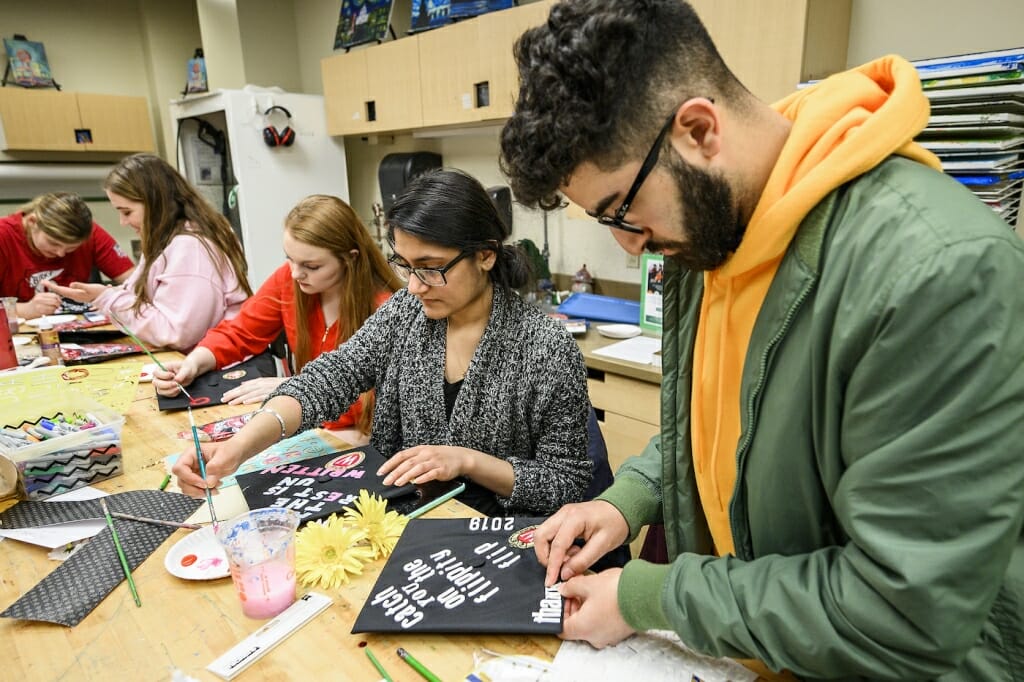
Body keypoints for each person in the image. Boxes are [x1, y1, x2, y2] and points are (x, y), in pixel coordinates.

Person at [499, 1, 1024, 679]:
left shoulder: (938, 273)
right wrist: (621, 502)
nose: (629, 244)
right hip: (766, 650)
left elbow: (905, 610)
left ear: (697, 130)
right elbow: (721, 424)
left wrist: (647, 596)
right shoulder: (711, 235)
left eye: (620, 211)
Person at [173, 168, 592, 517]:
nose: (413, 286)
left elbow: (566, 483)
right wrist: (238, 446)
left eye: (430, 268)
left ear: (485, 255)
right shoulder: (407, 315)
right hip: (404, 521)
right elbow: (329, 378)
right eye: (405, 266)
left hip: (496, 540)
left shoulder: (544, 347)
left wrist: (467, 461)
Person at [153, 194, 401, 442]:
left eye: (311, 266)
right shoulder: (289, 281)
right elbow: (239, 332)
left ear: (351, 258)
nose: (295, 273)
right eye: (290, 259)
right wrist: (194, 363)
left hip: (362, 439)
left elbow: (381, 403)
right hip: (314, 427)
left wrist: (295, 389)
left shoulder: (386, 309)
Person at [46, 154, 252, 351]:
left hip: (219, 372)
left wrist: (109, 299)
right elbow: (139, 298)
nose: (123, 222)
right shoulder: (165, 239)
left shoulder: (190, 248)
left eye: (127, 212)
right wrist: (101, 295)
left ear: (155, 203)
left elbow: (175, 333)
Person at [0, 192, 135, 320]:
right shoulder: (3, 235)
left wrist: (110, 296)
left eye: (71, 248)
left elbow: (137, 281)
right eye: (53, 242)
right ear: (32, 222)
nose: (60, 253)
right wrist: (25, 309)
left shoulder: (89, 234)